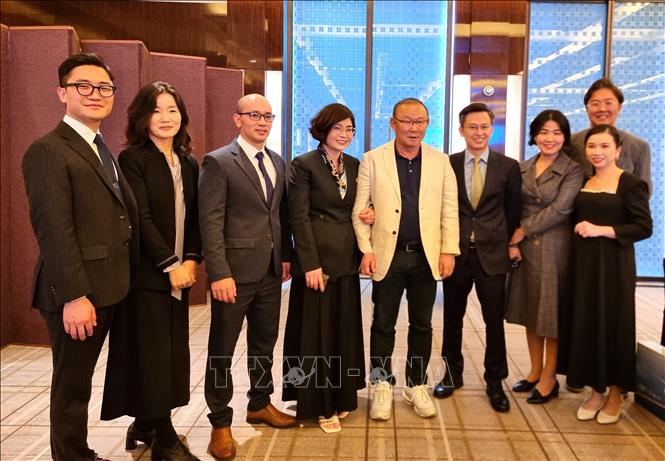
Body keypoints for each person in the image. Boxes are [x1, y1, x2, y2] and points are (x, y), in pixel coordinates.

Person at [21, 52, 138, 461]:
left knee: (81, 380)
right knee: (72, 385)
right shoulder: (48, 150)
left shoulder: (100, 146)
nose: (95, 94)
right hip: (77, 292)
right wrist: (75, 296)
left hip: (109, 285)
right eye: (83, 86)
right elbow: (54, 230)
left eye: (104, 87)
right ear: (62, 93)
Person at [100, 81, 202, 460]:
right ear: (142, 117)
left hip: (180, 277)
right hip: (147, 277)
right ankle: (164, 438)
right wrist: (170, 264)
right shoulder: (132, 159)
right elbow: (139, 218)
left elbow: (195, 217)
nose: (165, 117)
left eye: (172, 110)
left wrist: (191, 259)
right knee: (153, 356)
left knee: (170, 354)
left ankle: (144, 423)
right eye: (156, 110)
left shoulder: (188, 162)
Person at [199, 94, 295, 460]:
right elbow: (210, 221)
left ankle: (259, 403)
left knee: (264, 342)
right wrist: (219, 272)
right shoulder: (219, 161)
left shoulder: (277, 161)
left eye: (268, 116)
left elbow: (279, 215)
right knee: (222, 350)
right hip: (233, 275)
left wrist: (284, 256)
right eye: (254, 115)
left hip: (270, 271)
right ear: (237, 119)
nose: (263, 122)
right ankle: (220, 422)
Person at [352, 97, 459, 421]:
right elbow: (359, 210)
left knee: (422, 325)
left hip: (426, 257)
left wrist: (448, 250)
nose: (414, 128)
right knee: (382, 324)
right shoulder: (373, 159)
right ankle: (382, 384)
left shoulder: (440, 161)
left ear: (427, 124)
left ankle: (416, 384)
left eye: (420, 121)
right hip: (388, 255)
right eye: (407, 121)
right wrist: (367, 249)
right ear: (393, 123)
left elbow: (449, 210)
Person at [282, 103, 370, 433]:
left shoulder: (354, 164)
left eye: (350, 129)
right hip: (316, 261)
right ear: (324, 129)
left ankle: (341, 395)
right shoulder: (304, 164)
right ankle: (319, 405)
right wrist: (310, 264)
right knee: (315, 334)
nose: (345, 134)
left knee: (343, 330)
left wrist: (370, 213)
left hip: (346, 259)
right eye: (338, 128)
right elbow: (298, 217)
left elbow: (358, 206)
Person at [559, 124, 652, 424]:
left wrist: (601, 230)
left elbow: (643, 227)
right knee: (587, 323)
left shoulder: (631, 184)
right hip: (583, 265)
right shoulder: (586, 181)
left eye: (604, 146)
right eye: (592, 146)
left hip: (614, 265)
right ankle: (596, 390)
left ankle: (615, 394)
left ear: (618, 151)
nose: (597, 152)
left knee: (615, 325)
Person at [433, 103, 522, 413]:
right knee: (452, 318)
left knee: (493, 321)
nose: (479, 132)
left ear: (491, 129)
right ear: (461, 130)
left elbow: (513, 210)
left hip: (492, 254)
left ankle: (495, 380)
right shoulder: (448, 164)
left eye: (484, 126)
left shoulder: (508, 167)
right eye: (472, 127)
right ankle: (452, 374)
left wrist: (509, 243)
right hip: (457, 254)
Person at [504, 109, 583, 405]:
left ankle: (550, 377)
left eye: (557, 133)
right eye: (544, 132)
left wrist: (522, 231)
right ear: (534, 136)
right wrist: (512, 242)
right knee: (530, 311)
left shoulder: (573, 169)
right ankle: (535, 370)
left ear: (565, 137)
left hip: (555, 247)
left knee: (551, 314)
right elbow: (512, 206)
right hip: (523, 248)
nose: (550, 138)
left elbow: (561, 209)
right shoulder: (522, 167)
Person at [568, 78, 651, 194]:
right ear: (587, 108)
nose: (602, 109)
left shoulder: (638, 147)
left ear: (619, 107)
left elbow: (644, 193)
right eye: (595, 104)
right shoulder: (571, 143)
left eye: (608, 103)